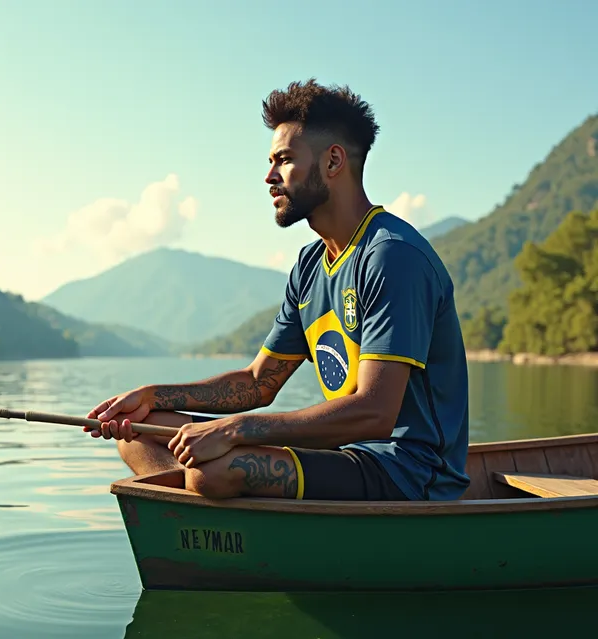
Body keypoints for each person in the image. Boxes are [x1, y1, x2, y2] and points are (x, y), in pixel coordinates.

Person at [84, 79, 470, 502]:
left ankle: (212, 521)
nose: (269, 177)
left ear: (333, 161)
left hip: (408, 472)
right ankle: (211, 527)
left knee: (215, 472)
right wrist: (151, 397)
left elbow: (375, 413)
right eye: (270, 162)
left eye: (284, 160)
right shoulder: (309, 266)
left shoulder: (392, 257)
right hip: (346, 455)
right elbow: (257, 383)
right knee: (140, 432)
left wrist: (236, 431)